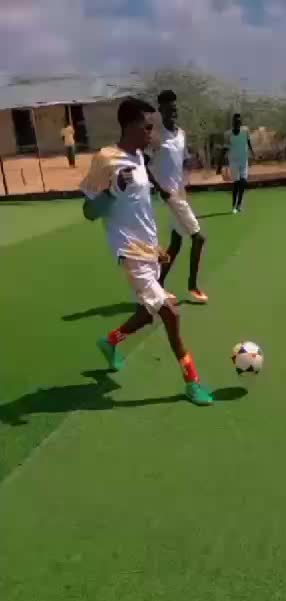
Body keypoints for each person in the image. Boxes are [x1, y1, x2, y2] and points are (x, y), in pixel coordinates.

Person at [80, 97, 213, 406]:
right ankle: (192, 382)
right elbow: (88, 211)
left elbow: (139, 209)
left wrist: (156, 249)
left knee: (146, 313)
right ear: (129, 126)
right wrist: (111, 191)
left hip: (147, 251)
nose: (152, 134)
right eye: (147, 127)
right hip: (128, 253)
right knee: (170, 313)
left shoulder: (139, 158)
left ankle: (110, 342)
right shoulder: (106, 159)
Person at [147, 90, 208, 304]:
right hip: (170, 196)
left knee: (176, 243)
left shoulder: (181, 133)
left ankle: (157, 285)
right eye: (168, 108)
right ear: (160, 109)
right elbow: (143, 164)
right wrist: (159, 189)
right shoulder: (155, 136)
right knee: (199, 237)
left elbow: (183, 162)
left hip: (181, 193)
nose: (173, 112)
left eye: (175, 108)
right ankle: (193, 286)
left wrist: (194, 162)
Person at [225, 113, 254, 213]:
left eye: (239, 121)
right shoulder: (228, 134)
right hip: (233, 161)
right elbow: (225, 148)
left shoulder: (245, 131)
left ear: (241, 122)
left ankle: (239, 204)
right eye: (236, 121)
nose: (238, 122)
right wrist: (220, 165)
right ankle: (234, 205)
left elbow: (248, 142)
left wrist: (252, 153)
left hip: (243, 161)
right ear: (233, 122)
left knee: (243, 182)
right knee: (236, 183)